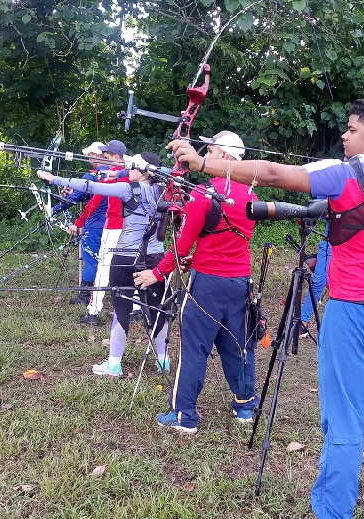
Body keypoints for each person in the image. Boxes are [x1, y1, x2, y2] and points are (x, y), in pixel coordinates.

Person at [167, 98, 364, 518]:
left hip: (353, 314)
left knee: (344, 421)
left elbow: (274, 174)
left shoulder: (344, 174)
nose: (344, 136)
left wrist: (203, 165)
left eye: (351, 129)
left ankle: (333, 511)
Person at [132, 130, 258, 435]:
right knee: (237, 344)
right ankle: (245, 405)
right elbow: (223, 241)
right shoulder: (252, 196)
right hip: (239, 282)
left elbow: (182, 244)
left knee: (194, 349)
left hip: (207, 286)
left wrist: (157, 273)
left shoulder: (203, 195)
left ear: (224, 157)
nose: (205, 156)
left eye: (211, 151)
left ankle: (184, 415)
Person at [38, 152, 170, 378]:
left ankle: (114, 365)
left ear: (141, 170)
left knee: (121, 309)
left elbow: (91, 187)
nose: (129, 170)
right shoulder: (167, 192)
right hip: (155, 259)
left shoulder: (127, 189)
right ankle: (163, 361)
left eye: (133, 167)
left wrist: (53, 179)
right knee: (158, 309)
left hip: (125, 257)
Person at [52, 141, 108, 305]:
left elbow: (73, 199)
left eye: (90, 155)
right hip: (114, 224)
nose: (89, 158)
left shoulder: (91, 175)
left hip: (95, 223)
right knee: (107, 258)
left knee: (91, 258)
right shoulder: (118, 173)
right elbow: (88, 195)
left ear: (97, 155)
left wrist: (53, 209)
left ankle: (85, 296)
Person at [81, 139, 129, 325]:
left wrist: (80, 222)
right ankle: (136, 309)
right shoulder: (134, 173)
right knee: (129, 265)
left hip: (114, 227)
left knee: (103, 267)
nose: (103, 159)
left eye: (106, 156)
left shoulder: (113, 176)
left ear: (116, 157)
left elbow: (95, 199)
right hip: (133, 229)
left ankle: (93, 312)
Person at [297, 226, 331, 338]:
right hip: (327, 245)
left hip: (344, 247)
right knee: (317, 282)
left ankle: (336, 326)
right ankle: (303, 322)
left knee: (334, 285)